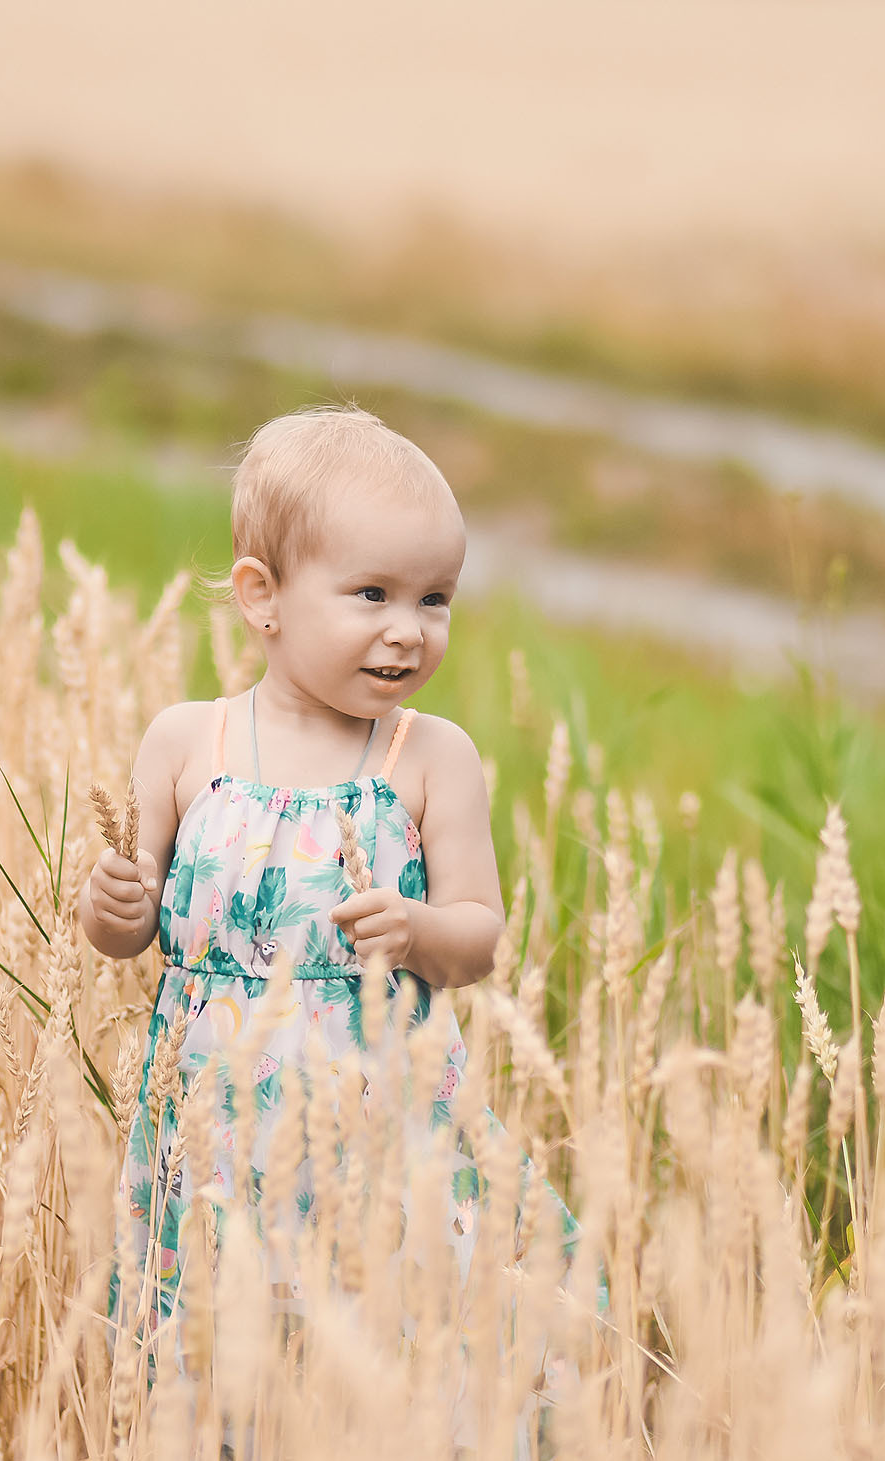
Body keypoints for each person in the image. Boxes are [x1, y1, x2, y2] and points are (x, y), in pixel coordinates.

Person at [77, 404, 570, 1354]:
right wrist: (113, 908)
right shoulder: (188, 743)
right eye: (373, 593)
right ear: (264, 596)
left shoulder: (430, 757)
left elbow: (480, 936)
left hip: (376, 1133)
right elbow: (134, 928)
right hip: (215, 1138)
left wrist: (418, 931)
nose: (410, 630)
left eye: (436, 599)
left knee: (376, 1353)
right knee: (219, 1367)